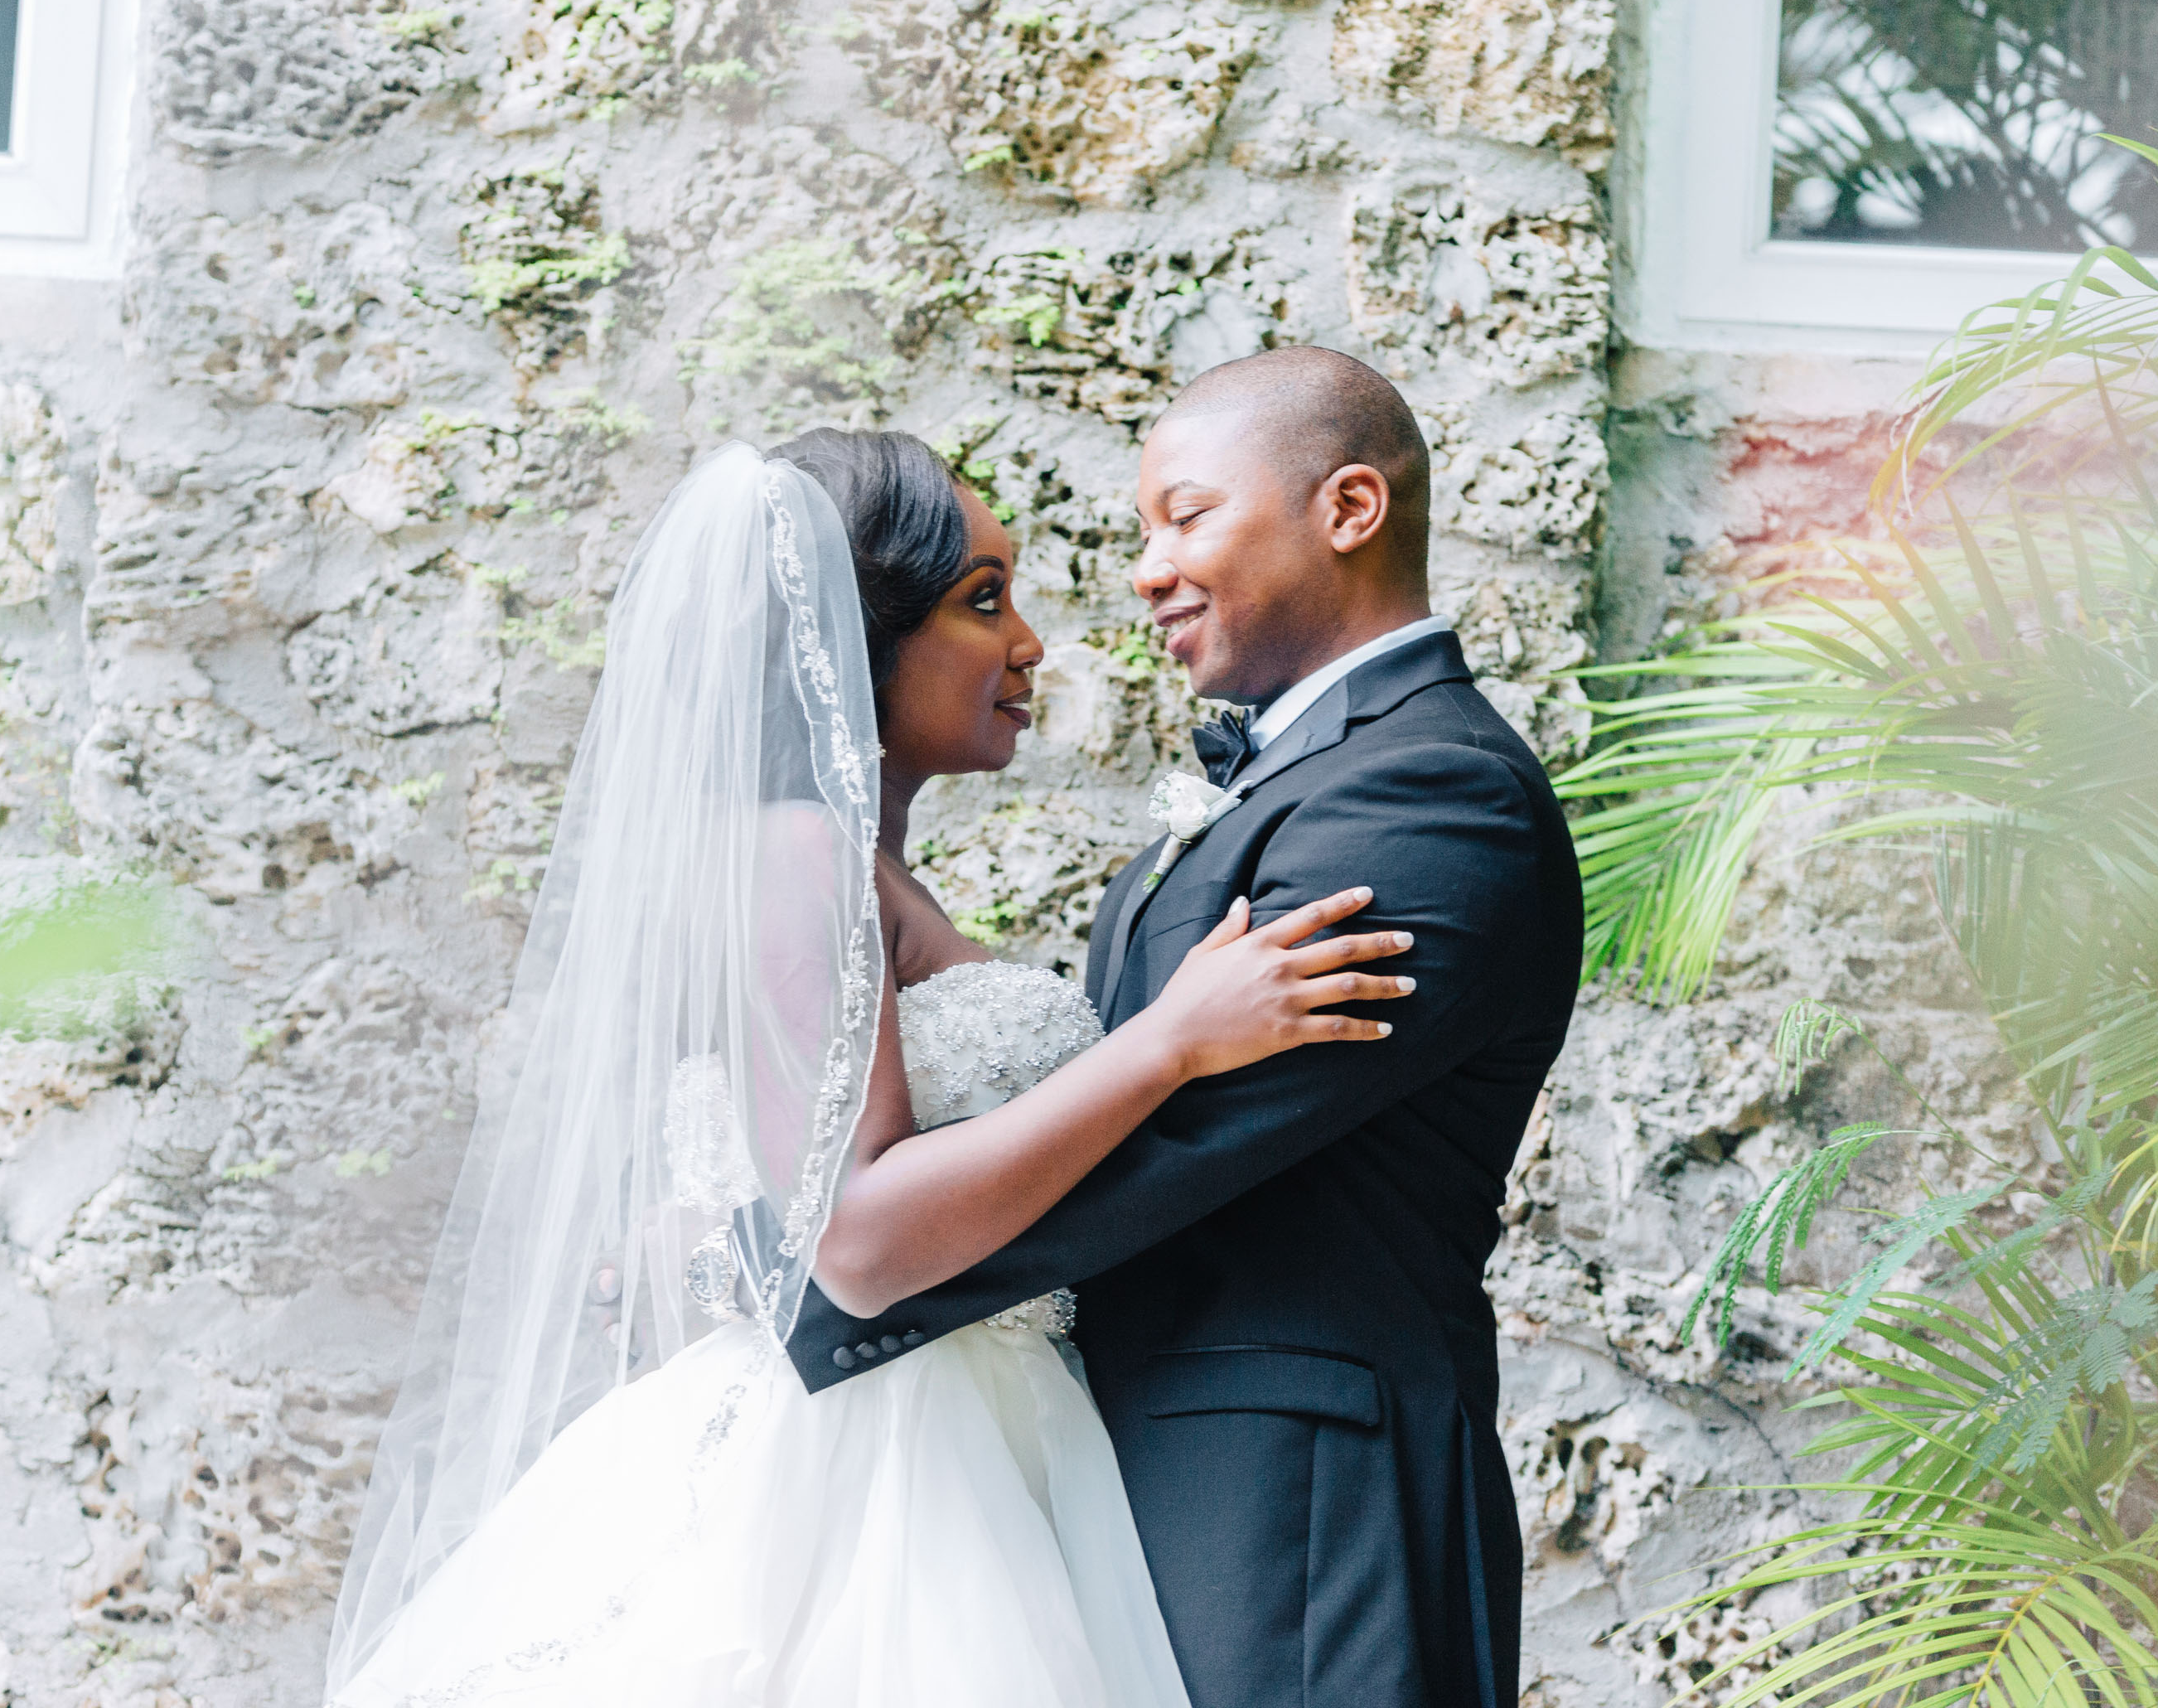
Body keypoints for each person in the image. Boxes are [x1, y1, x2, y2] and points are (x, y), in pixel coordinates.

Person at [325, 430, 1414, 1706]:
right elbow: (853, 1235)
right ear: (853, 637)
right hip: (866, 1471)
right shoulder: (799, 853)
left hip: (972, 1434)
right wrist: (1171, 1043)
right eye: (983, 601)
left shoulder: (863, 868)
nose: (1031, 647)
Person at [787, 350, 1585, 1708]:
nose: (1147, 570)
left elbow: (1178, 1147)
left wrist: (821, 1301)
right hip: (1141, 1483)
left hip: (1302, 1510)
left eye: (1187, 516)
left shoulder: (1437, 795)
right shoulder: (1303, 779)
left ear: (1346, 510)